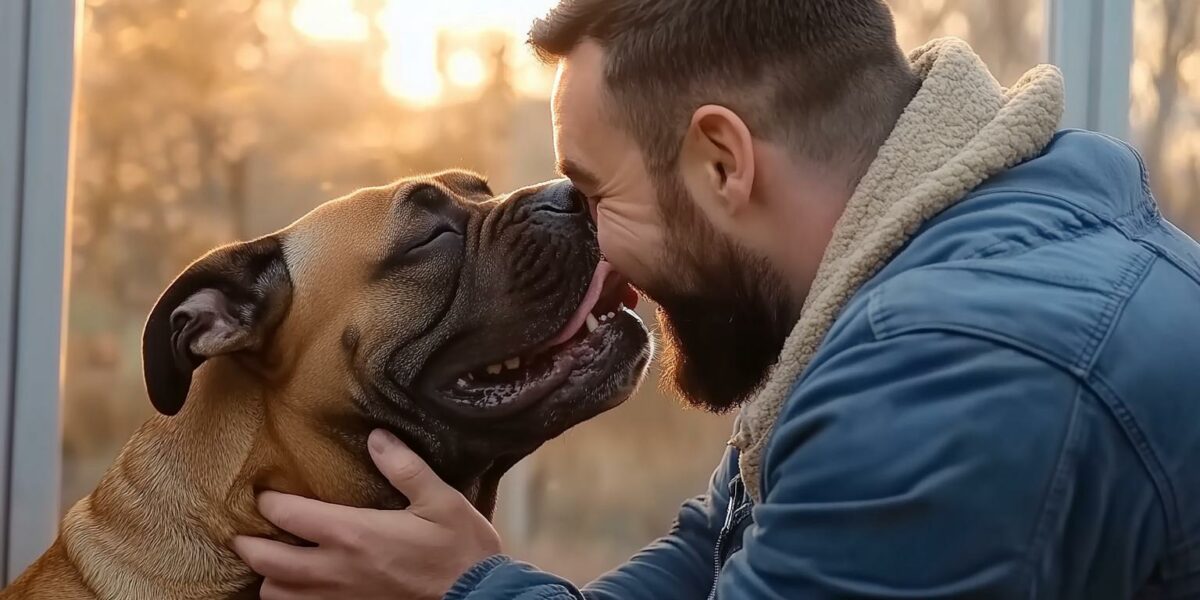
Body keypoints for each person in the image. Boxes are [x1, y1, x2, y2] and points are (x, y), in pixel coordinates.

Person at [232, 0, 1200, 598]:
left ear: (723, 160)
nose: (596, 256)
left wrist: (469, 593)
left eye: (597, 196)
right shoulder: (959, 244)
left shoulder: (957, 369)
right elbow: (720, 553)